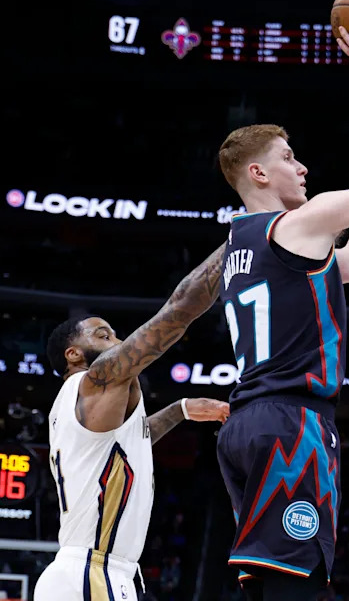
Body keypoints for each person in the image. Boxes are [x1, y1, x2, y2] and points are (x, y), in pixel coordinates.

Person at [214, 17, 349, 600]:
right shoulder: (297, 225)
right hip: (291, 424)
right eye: (289, 158)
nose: (303, 167)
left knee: (269, 584)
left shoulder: (240, 246)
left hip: (249, 424)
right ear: (258, 172)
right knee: (299, 589)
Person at [34, 245, 231, 601]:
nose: (118, 341)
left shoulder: (76, 406)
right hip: (93, 571)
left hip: (87, 571)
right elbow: (180, 308)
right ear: (73, 354)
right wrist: (239, 238)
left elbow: (125, 446)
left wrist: (181, 410)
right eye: (103, 336)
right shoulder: (95, 380)